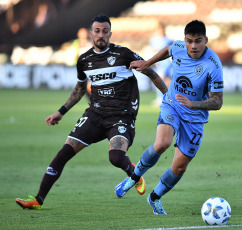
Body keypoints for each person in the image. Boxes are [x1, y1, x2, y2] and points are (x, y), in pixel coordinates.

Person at [16, 15, 168, 209]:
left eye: (105, 31)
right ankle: (38, 200)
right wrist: (61, 111)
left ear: (110, 34)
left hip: (121, 116)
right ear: (91, 34)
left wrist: (167, 96)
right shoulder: (84, 60)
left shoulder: (123, 55)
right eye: (97, 31)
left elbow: (151, 72)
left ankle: (135, 174)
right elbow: (80, 88)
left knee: (115, 158)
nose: (101, 35)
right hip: (95, 115)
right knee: (63, 154)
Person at [115, 20, 224, 215]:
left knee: (180, 167)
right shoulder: (179, 47)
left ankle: (155, 197)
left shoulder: (213, 64)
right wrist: (147, 63)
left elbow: (217, 102)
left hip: (195, 117)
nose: (193, 46)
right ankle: (133, 177)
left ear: (206, 40)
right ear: (184, 40)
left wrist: (194, 104)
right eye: (189, 41)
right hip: (172, 104)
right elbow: (168, 49)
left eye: (198, 41)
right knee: (162, 143)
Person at [149, 23, 173, 106]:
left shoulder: (169, 40)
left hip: (168, 63)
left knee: (167, 81)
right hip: (160, 63)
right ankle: (161, 98)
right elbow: (153, 50)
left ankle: (165, 98)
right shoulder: (153, 40)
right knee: (160, 79)